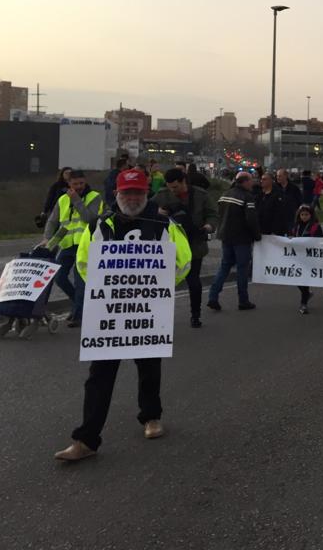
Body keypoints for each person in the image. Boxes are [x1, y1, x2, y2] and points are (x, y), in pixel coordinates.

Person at [54, 168, 192, 462]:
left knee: (149, 367)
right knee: (99, 376)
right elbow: (84, 262)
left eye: (138, 193)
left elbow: (183, 261)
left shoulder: (163, 224)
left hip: (148, 310)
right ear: (116, 194)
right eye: (127, 193)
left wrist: (156, 287)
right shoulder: (101, 225)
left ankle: (151, 417)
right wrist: (105, 290)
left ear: (146, 194)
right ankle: (86, 438)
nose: (132, 198)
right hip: (110, 311)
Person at [154, 167, 216, 328]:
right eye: (169, 187)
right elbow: (146, 208)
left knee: (194, 282)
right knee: (162, 284)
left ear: (183, 182)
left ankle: (195, 315)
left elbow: (212, 214)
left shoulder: (200, 195)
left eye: (175, 187)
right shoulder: (162, 195)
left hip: (194, 244)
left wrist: (209, 226)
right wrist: (157, 211)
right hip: (169, 246)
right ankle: (158, 316)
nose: (172, 190)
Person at [44, 170, 105, 327]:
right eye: (75, 184)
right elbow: (52, 221)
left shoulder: (94, 197)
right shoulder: (63, 199)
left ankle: (78, 316)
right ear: (69, 184)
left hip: (85, 245)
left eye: (81, 183)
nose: (79, 187)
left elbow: (90, 219)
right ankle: (80, 305)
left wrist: (77, 201)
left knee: (80, 282)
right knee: (59, 277)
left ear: (85, 182)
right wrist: (47, 238)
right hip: (67, 244)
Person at [207, 172, 261, 311]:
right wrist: (257, 235)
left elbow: (219, 213)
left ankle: (213, 297)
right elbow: (251, 219)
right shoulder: (247, 197)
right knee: (242, 269)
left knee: (224, 266)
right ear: (245, 182)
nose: (253, 183)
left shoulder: (226, 194)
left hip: (226, 236)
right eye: (251, 180)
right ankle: (243, 300)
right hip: (241, 238)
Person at [290, 204, 323, 314]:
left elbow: (320, 240)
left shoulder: (315, 227)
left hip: (310, 258)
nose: (304, 217)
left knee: (304, 280)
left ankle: (303, 303)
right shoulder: (296, 227)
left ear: (311, 215)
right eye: (302, 215)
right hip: (298, 257)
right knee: (296, 279)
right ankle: (307, 293)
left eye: (306, 215)